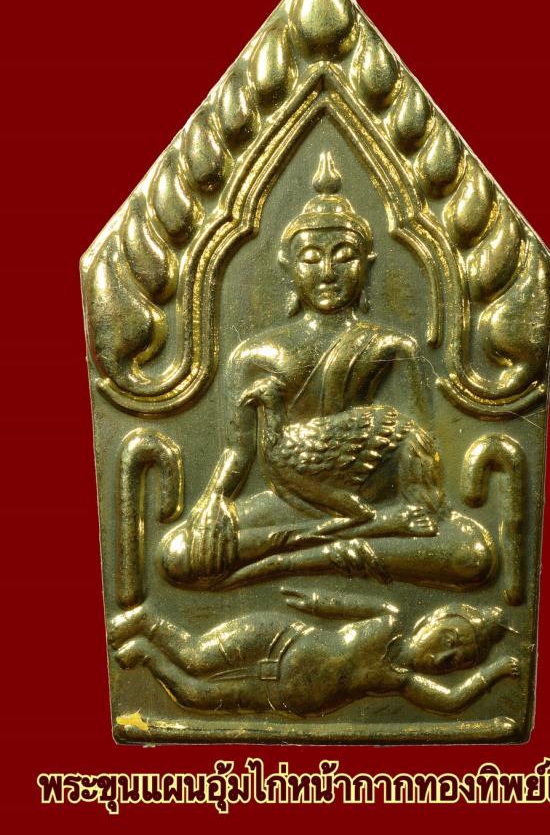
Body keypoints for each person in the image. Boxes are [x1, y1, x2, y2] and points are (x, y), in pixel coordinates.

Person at [161, 152, 495, 590]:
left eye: (343, 256)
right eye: (310, 257)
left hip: (380, 505)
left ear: (366, 264)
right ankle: (324, 546)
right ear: (287, 266)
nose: (327, 272)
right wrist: (213, 499)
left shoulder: (391, 347)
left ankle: (291, 558)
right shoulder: (255, 354)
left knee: (473, 553)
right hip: (292, 502)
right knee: (180, 553)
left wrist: (404, 509)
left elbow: (422, 456)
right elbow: (238, 453)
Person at [109, 588, 519, 716]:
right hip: (280, 638)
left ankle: (146, 655)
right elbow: (340, 603)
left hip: (283, 695)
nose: (445, 659)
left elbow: (449, 702)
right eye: (450, 640)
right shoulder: (388, 618)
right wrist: (314, 599)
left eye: (458, 660)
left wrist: (496, 671)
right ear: (433, 620)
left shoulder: (401, 681)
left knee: (194, 696)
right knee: (197, 657)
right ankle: (144, 621)